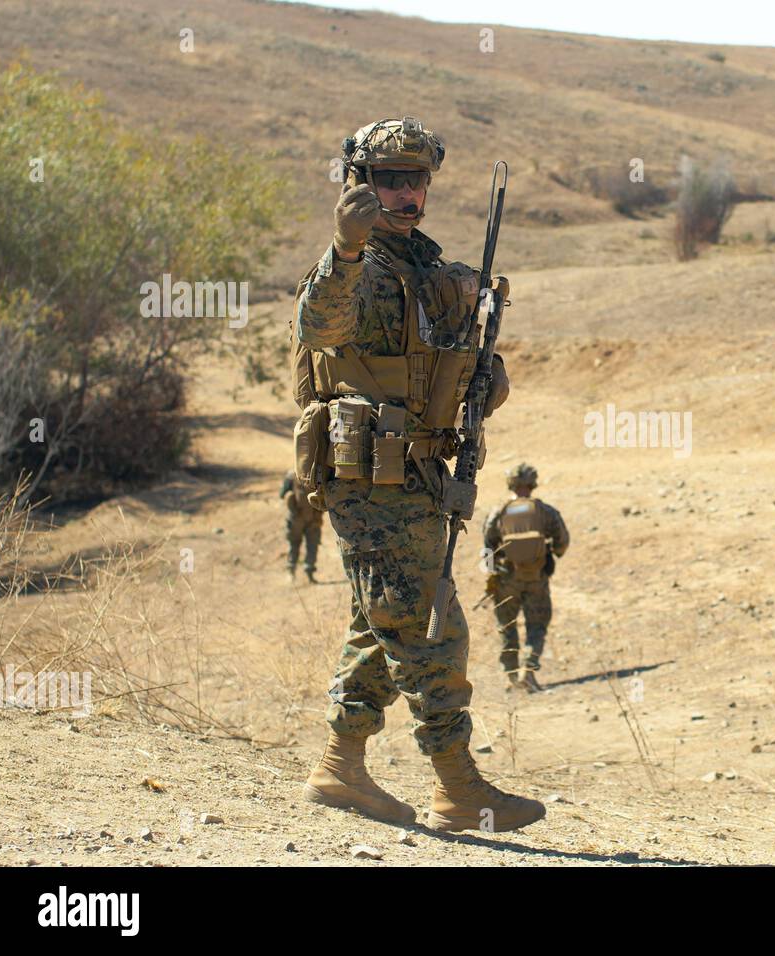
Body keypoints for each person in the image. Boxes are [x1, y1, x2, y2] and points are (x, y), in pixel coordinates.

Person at [293, 116, 543, 833]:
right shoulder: (353, 266)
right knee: (427, 622)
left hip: (422, 471)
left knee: (382, 619)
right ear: (357, 186)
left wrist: (481, 375)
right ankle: (460, 788)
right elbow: (318, 324)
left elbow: (454, 366)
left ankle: (341, 768)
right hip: (368, 469)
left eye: (415, 180)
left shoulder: (427, 269)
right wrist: (343, 247)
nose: (403, 194)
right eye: (386, 181)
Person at [483, 464, 569, 692]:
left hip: (506, 580)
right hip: (536, 578)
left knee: (507, 626)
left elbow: (487, 547)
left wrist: (493, 575)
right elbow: (562, 542)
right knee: (537, 625)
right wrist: (549, 554)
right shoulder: (545, 511)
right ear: (532, 484)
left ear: (510, 484)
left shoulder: (498, 512)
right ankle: (528, 673)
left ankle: (511, 677)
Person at [279, 470, 323, 583]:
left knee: (294, 544)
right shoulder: (318, 473)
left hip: (296, 517)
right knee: (312, 546)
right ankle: (309, 574)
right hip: (314, 516)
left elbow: (282, 494)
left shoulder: (292, 475)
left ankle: (291, 572)